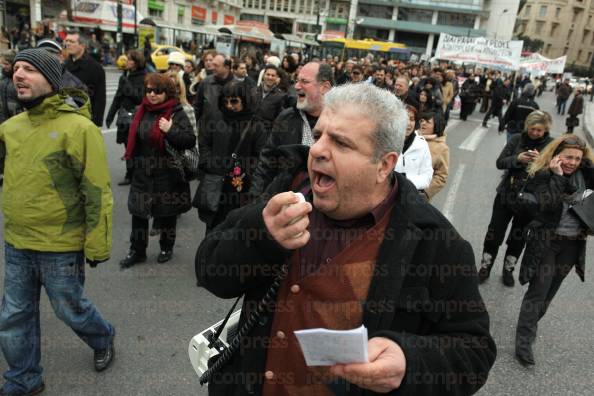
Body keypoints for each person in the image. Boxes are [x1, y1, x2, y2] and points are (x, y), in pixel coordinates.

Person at [196, 83, 496, 395]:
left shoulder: (435, 242)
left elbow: (474, 351)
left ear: (384, 165)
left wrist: (410, 361)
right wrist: (259, 236)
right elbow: (209, 271)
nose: (318, 150)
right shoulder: (285, 191)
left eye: (340, 143)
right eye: (318, 136)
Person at [0, 48, 115, 396]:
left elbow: (97, 191)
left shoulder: (79, 129)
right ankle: (23, 378)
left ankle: (103, 336)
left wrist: (97, 244)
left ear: (51, 79)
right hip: (18, 242)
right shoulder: (10, 128)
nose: (18, 74)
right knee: (13, 317)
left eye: (29, 69)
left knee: (70, 309)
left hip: (60, 246)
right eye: (16, 68)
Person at [514, 134, 594, 366]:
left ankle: (529, 325)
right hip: (546, 241)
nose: (572, 162)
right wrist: (557, 177)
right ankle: (524, 343)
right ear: (557, 155)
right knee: (538, 291)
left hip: (572, 244)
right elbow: (546, 205)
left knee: (549, 295)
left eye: (577, 159)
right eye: (568, 157)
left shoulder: (585, 176)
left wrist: (586, 162)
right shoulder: (542, 175)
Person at [119, 73, 196, 268]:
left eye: (157, 91)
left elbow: (189, 140)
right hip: (143, 172)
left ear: (167, 93)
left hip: (167, 173)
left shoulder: (176, 111)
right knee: (139, 213)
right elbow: (134, 140)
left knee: (167, 214)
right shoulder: (141, 110)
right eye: (149, 90)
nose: (152, 94)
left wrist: (171, 130)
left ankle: (166, 247)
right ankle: (137, 251)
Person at [478, 111, 554, 287]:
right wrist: (518, 158)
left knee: (518, 237)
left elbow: (553, 173)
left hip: (531, 200)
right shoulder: (517, 139)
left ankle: (508, 269)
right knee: (494, 233)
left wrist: (539, 163)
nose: (535, 133)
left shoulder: (551, 146)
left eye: (539, 130)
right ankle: (485, 266)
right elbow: (500, 162)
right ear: (527, 126)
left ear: (546, 130)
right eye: (532, 129)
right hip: (506, 194)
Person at [248, 62, 333, 198]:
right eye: (297, 81)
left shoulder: (339, 122)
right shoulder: (286, 117)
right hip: (284, 204)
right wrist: (255, 198)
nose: (297, 86)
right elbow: (267, 161)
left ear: (324, 87)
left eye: (304, 81)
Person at [195, 80, 267, 231]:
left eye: (234, 101)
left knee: (235, 232)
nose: (229, 105)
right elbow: (204, 143)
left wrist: (244, 170)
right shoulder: (215, 118)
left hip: (241, 187)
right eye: (225, 101)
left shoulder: (256, 124)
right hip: (216, 182)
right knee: (213, 229)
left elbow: (261, 156)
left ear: (244, 101)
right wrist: (210, 163)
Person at [105, 50, 147, 185]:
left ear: (136, 62)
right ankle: (132, 173)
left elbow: (138, 98)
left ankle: (132, 175)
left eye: (129, 59)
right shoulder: (126, 76)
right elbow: (118, 97)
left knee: (135, 147)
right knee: (127, 146)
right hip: (124, 118)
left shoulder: (143, 77)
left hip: (136, 118)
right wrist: (110, 115)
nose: (126, 61)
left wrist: (126, 84)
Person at [193, 54, 234, 177]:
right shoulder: (206, 83)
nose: (212, 67)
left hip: (227, 135)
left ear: (226, 67)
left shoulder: (236, 86)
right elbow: (197, 107)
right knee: (205, 173)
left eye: (216, 65)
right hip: (206, 134)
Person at [64, 31, 106, 126]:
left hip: (84, 119)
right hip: (64, 118)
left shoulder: (95, 68)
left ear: (82, 45)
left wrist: (95, 123)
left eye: (71, 41)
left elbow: (99, 99)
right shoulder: (64, 65)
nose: (67, 44)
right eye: (66, 41)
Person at [395, 105, 433, 191]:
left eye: (412, 119)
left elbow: (427, 176)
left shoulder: (422, 145)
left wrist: (406, 181)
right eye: (405, 119)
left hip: (411, 195)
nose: (408, 123)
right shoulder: (388, 142)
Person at [418, 111, 449, 200]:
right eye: (422, 121)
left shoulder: (442, 148)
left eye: (428, 122)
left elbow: (441, 176)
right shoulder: (412, 137)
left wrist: (425, 193)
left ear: (436, 126)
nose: (423, 123)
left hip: (418, 194)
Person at [251, 64, 288, 129]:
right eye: (268, 74)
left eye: (273, 75)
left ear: (277, 78)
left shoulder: (281, 96)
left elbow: (280, 119)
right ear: (263, 76)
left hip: (267, 133)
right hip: (250, 131)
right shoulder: (253, 91)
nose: (270, 77)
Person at [0, 50, 19, 124]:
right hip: (3, 118)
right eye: (2, 64)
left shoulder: (19, 79)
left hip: (16, 119)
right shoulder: (3, 78)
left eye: (6, 64)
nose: (3, 66)